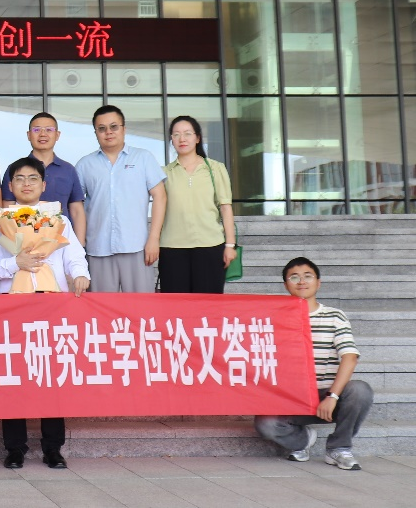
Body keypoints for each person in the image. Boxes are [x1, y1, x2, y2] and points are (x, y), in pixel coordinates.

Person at [0, 157, 90, 470]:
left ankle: (53, 447)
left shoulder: (58, 219)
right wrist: (14, 263)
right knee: (12, 373)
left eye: (32, 178)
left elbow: (74, 254)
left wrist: (80, 274)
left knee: (50, 374)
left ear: (44, 185)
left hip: (50, 302)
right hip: (12, 303)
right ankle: (14, 447)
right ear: (10, 185)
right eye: (19, 178)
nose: (26, 184)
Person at [254, 257, 372, 471]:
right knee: (266, 423)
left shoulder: (334, 316)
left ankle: (339, 448)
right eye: (294, 277)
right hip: (292, 397)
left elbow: (350, 356)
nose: (301, 281)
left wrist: (332, 396)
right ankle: (302, 441)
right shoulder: (274, 319)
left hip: (327, 395)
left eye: (307, 276)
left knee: (360, 390)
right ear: (286, 285)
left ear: (318, 282)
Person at [75, 105, 166, 293]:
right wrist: (79, 246)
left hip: (137, 247)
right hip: (97, 248)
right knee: (101, 307)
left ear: (124, 129)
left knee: (141, 306)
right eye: (102, 128)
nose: (108, 132)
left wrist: (154, 238)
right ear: (96, 132)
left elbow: (160, 196)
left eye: (114, 126)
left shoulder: (143, 158)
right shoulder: (84, 165)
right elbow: (76, 205)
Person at [159, 116, 237, 294]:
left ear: (197, 138)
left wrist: (230, 245)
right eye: (176, 134)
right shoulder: (164, 173)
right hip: (172, 247)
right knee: (176, 305)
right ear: (171, 139)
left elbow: (225, 207)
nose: (182, 139)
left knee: (209, 304)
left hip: (210, 245)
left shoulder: (215, 168)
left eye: (187, 134)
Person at [1, 112, 86, 241]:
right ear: (28, 135)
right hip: (22, 243)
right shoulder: (15, 169)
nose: (42, 134)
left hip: (61, 242)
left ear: (57, 135)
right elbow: (7, 208)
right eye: (36, 130)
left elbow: (77, 211)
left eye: (49, 130)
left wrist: (79, 245)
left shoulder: (68, 170)